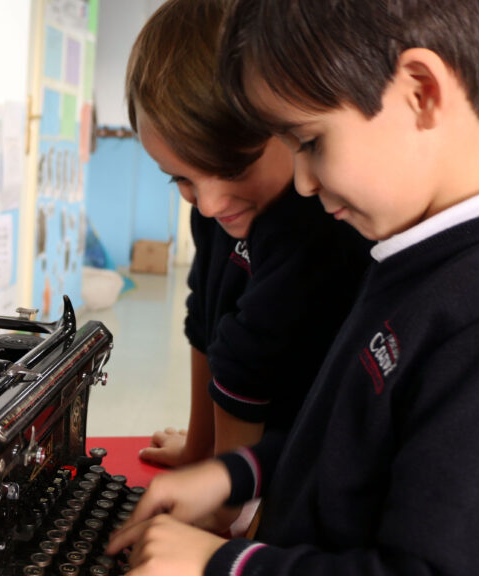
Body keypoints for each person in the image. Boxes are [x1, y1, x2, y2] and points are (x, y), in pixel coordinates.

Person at [107, 1, 479, 574]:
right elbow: (349, 446)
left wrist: (224, 564)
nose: (302, 182)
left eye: (311, 141)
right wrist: (237, 472)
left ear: (421, 91)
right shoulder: (416, 260)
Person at [126, 0, 371, 477]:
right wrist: (199, 451)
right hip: (243, 457)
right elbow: (206, 320)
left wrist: (220, 493)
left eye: (232, 168)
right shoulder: (217, 205)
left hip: (302, 466)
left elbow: (246, 364)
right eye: (180, 178)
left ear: (286, 125)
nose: (211, 204)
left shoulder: (315, 222)